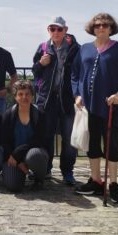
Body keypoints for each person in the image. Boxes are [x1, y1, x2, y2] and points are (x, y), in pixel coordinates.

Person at [72, 13, 118, 204]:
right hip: (89, 107)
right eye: (98, 25)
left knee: (111, 145)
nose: (101, 28)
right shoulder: (84, 49)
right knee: (92, 145)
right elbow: (75, 75)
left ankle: (114, 185)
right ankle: (96, 181)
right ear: (92, 28)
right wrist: (77, 95)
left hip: (111, 107)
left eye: (105, 25)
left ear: (111, 28)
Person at [32, 16, 80, 185]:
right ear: (48, 30)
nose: (56, 32)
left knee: (69, 139)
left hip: (68, 100)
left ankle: (67, 171)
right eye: (53, 29)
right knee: (46, 137)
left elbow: (81, 73)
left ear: (66, 30)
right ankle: (46, 169)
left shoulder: (75, 49)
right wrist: (40, 63)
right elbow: (35, 72)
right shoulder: (43, 47)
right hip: (47, 100)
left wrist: (79, 94)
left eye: (59, 29)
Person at [1, 80, 49, 192]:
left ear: (32, 96)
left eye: (27, 94)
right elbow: (4, 140)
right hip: (13, 156)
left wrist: (18, 152)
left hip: (32, 152)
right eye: (20, 94)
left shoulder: (39, 114)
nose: (24, 97)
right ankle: (19, 173)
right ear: (15, 97)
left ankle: (39, 179)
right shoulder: (8, 115)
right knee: (13, 186)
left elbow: (40, 139)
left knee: (35, 155)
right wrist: (17, 161)